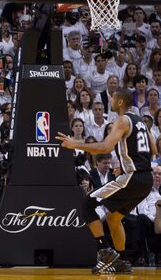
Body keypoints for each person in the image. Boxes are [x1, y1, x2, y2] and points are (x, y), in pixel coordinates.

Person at [56, 88, 156, 274]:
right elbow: (154, 151)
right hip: (146, 179)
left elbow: (104, 147)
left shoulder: (122, 119)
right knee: (113, 217)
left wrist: (75, 144)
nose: (109, 99)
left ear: (120, 102)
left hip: (132, 177)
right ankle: (122, 261)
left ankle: (104, 251)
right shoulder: (140, 120)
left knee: (86, 204)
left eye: (113, 97)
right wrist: (129, 162)